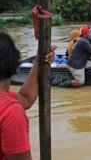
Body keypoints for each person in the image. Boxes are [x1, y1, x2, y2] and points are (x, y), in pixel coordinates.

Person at [0, 31, 56, 160]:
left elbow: (25, 99)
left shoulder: (6, 102)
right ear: (13, 61)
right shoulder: (10, 112)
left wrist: (38, 61)